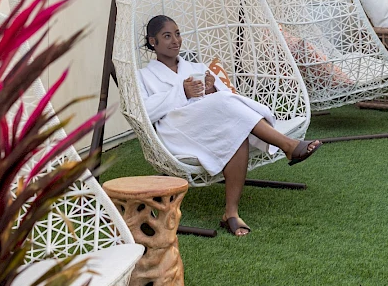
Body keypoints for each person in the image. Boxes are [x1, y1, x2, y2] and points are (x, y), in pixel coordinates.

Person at [137, 14, 322, 237]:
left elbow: (223, 101)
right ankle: (288, 145)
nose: (175, 41)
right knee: (226, 107)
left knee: (236, 130)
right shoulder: (144, 77)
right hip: (176, 130)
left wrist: (212, 89)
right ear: (153, 41)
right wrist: (181, 92)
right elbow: (145, 112)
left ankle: (231, 214)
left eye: (177, 34)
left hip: (207, 124)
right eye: (167, 36)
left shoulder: (197, 67)